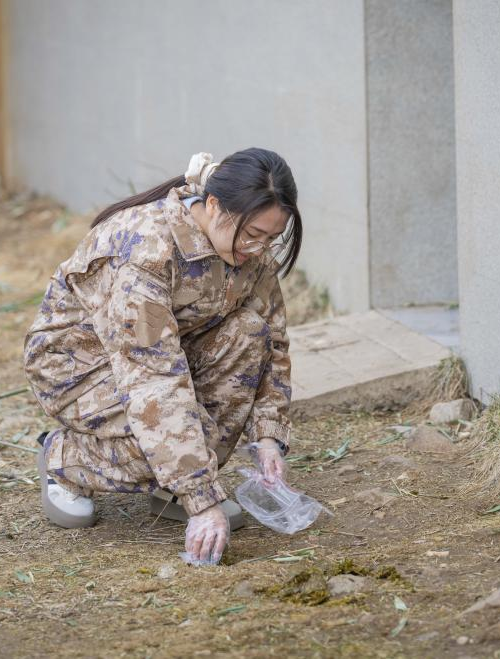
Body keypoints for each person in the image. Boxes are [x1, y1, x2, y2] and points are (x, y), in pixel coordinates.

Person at [23, 148, 301, 565]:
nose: (259, 248)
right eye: (252, 234)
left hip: (165, 359)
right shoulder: (146, 250)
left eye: (270, 238)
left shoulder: (248, 249)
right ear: (213, 205)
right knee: (180, 436)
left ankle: (173, 485)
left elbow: (273, 341)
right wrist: (202, 499)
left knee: (249, 332)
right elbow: (153, 380)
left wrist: (267, 437)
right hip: (78, 368)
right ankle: (64, 458)